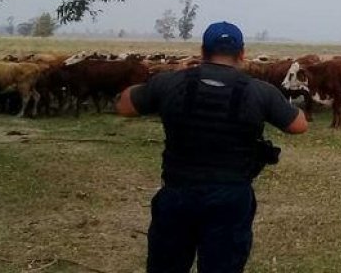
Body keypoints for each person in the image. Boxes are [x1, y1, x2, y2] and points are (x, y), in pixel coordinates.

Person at [116, 21, 308, 273]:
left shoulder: (170, 83)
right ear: (242, 54)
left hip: (178, 192)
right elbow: (299, 125)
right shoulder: (260, 91)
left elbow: (123, 105)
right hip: (230, 196)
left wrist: (163, 80)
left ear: (202, 51)